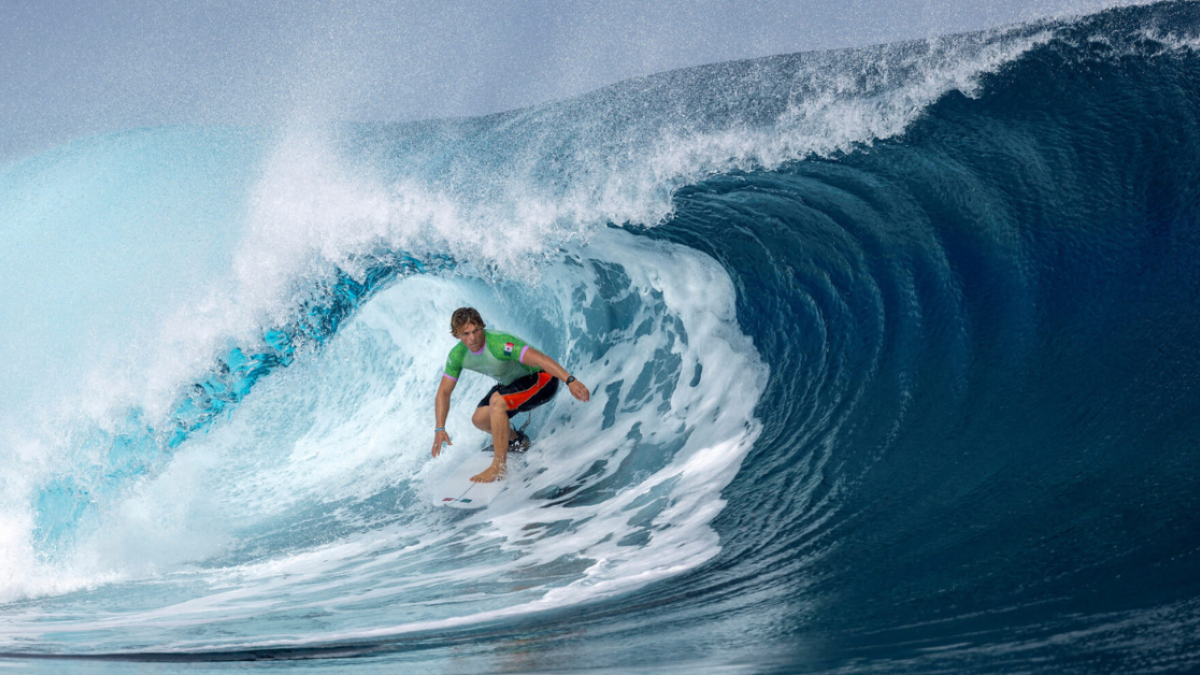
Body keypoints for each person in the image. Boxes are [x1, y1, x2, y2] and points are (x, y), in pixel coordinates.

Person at [432, 307, 590, 483]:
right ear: (457, 335)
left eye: (476, 331)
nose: (473, 338)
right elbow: (444, 392)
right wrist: (440, 428)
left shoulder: (500, 344)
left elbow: (540, 359)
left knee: (497, 402)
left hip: (543, 380)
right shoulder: (458, 355)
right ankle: (517, 441)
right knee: (480, 419)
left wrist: (570, 380)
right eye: (466, 333)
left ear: (482, 327)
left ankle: (498, 467)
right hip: (513, 385)